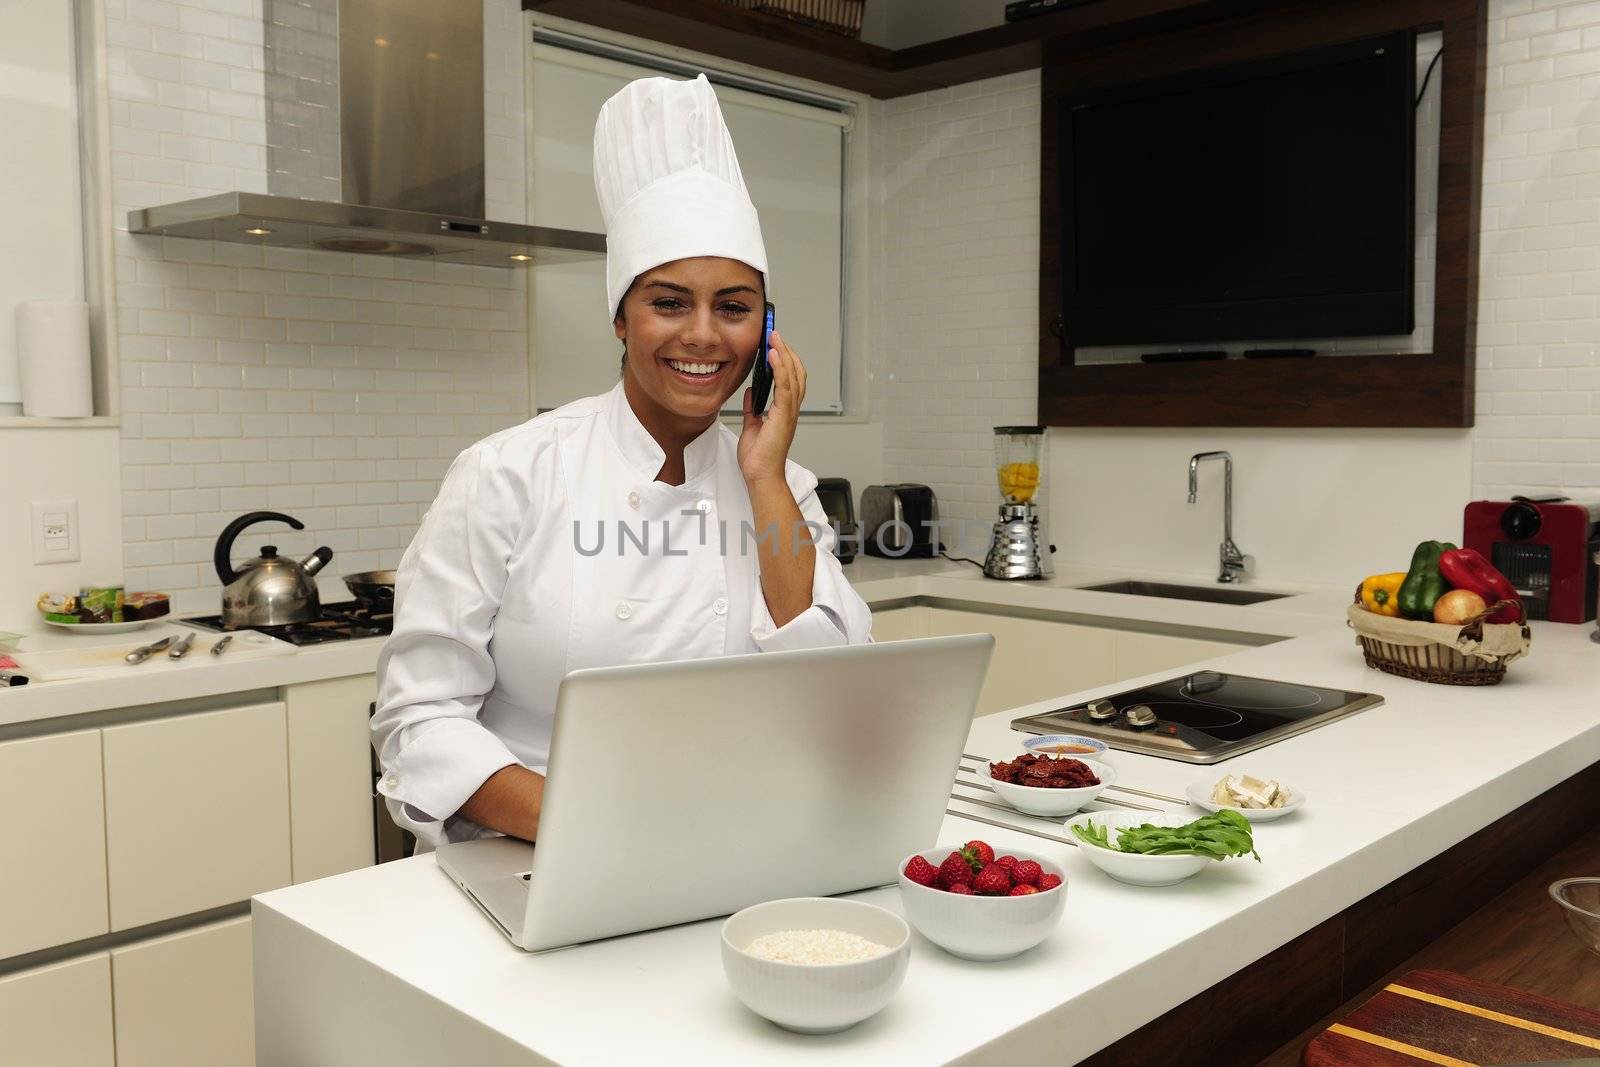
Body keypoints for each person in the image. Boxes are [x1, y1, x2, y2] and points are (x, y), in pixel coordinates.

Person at [371, 74, 874, 851]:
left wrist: (767, 476)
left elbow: (834, 690)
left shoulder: (783, 488)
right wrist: (592, 820)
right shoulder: (509, 472)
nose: (704, 336)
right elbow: (419, 718)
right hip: (529, 854)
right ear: (620, 317)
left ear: (767, 332)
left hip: (731, 843)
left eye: (734, 307)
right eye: (669, 303)